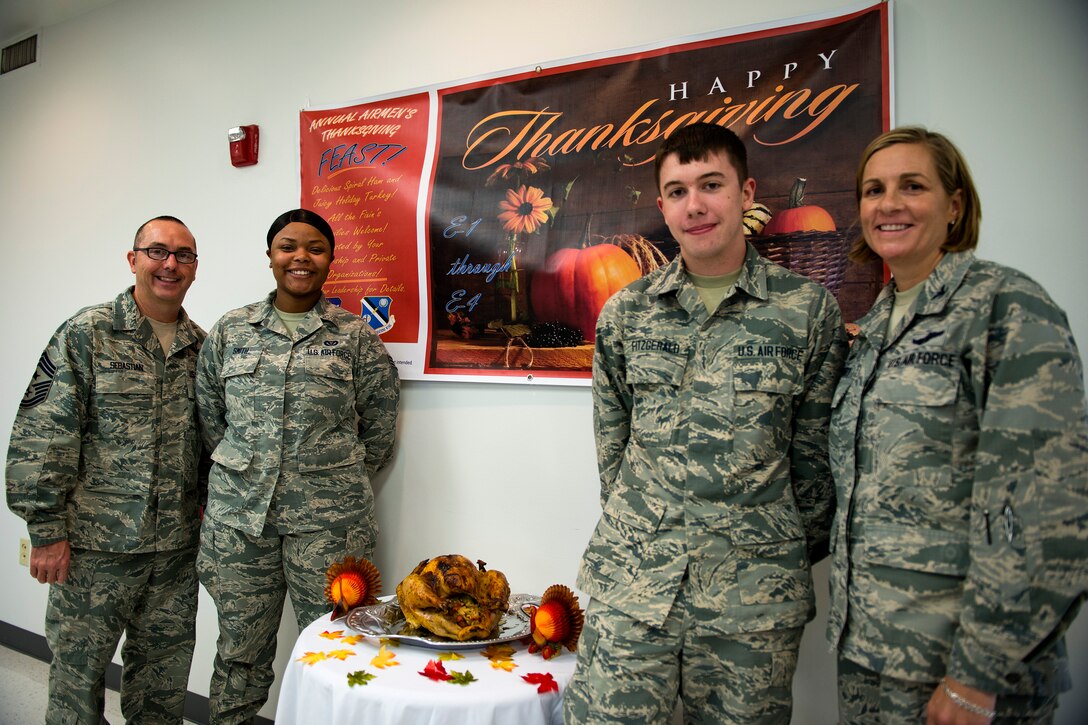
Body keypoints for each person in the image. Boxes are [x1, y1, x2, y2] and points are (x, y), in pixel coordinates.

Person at [564, 123, 848, 723]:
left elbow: (817, 466)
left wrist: (762, 545)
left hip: (751, 602)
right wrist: (646, 531)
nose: (694, 205)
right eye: (676, 191)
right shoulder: (627, 312)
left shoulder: (806, 312)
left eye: (711, 185)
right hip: (635, 584)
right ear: (662, 206)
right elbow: (612, 448)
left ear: (746, 194)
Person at [826, 127, 1088, 723]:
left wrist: (978, 676)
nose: (888, 204)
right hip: (870, 659)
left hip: (965, 673)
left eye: (911, 186)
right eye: (874, 190)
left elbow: (1048, 508)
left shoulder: (1008, 308)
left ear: (955, 205)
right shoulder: (871, 331)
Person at [195, 208, 400, 723]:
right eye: (288, 246)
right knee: (239, 653)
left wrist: (329, 478)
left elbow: (378, 427)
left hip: (329, 527)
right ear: (270, 256)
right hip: (242, 524)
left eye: (315, 248)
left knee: (339, 651)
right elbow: (209, 418)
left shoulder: (355, 338)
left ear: (331, 260)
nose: (300, 258)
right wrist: (251, 468)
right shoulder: (230, 330)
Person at [6, 216, 205, 723]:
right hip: (96, 548)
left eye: (183, 255)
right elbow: (43, 434)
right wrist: (46, 531)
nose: (170, 264)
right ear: (133, 258)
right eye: (158, 251)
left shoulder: (201, 346)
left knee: (162, 683)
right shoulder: (87, 332)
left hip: (174, 552)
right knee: (78, 679)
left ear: (195, 268)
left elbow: (209, 441)